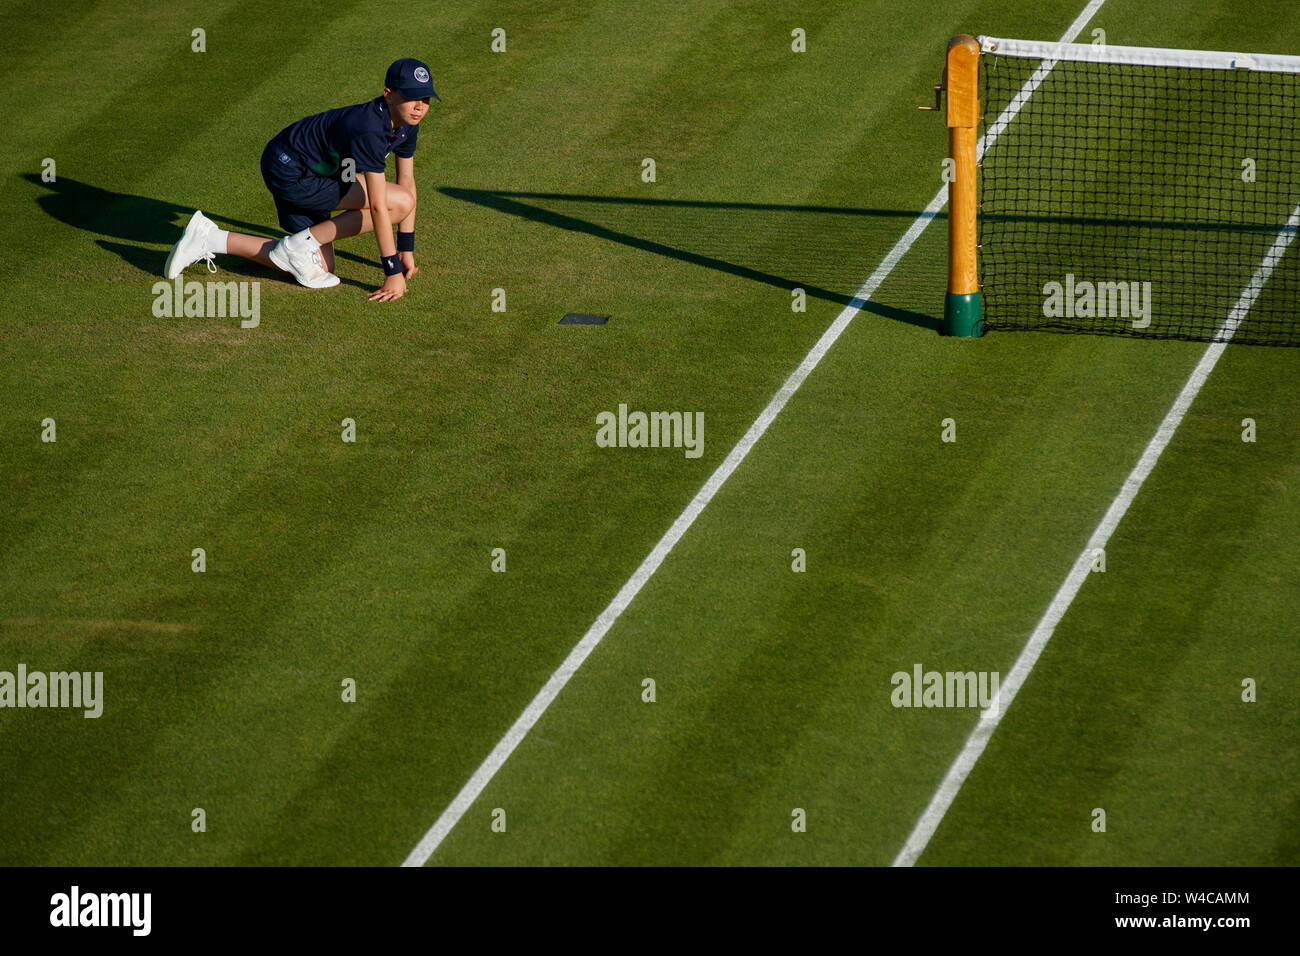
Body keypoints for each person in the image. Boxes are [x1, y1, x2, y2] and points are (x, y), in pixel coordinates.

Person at [164, 58, 437, 302]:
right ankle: (298, 244)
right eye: (411, 98)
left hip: (321, 171)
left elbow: (407, 179)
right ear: (388, 96)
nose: (419, 107)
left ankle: (210, 238)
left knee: (321, 267)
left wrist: (406, 250)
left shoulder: (406, 123)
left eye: (425, 100)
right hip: (290, 170)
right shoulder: (369, 128)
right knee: (398, 203)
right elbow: (379, 205)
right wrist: (391, 271)